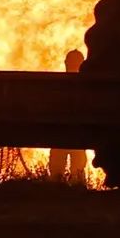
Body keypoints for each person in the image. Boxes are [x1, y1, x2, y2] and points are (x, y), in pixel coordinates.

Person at [47, 50, 88, 185]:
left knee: (58, 173)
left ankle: (58, 190)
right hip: (78, 135)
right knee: (77, 172)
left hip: (61, 135)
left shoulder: (56, 85)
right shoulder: (88, 86)